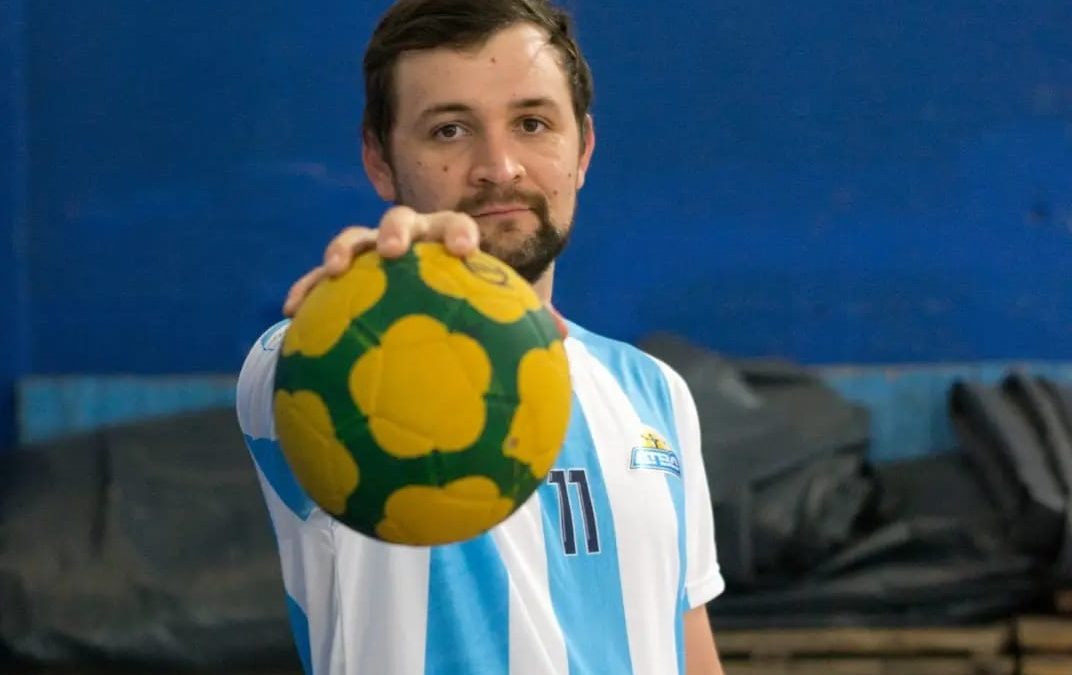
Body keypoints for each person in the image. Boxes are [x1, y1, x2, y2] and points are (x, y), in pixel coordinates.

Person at [236, 1, 726, 673]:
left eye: (531, 123)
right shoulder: (314, 364)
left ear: (581, 147)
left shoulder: (655, 394)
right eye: (449, 130)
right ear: (380, 162)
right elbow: (289, 368)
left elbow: (688, 650)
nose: (498, 166)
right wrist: (379, 285)